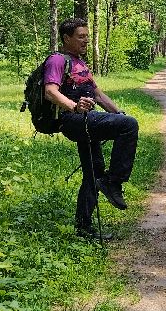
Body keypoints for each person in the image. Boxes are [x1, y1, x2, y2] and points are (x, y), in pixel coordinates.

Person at [43, 17, 139, 240]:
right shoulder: (57, 60)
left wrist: (118, 114)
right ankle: (113, 182)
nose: (86, 40)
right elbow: (50, 91)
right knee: (129, 126)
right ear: (67, 38)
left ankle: (84, 228)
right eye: (81, 37)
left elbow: (98, 95)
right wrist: (73, 106)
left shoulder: (81, 64)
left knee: (93, 171)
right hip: (73, 121)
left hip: (88, 120)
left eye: (87, 36)